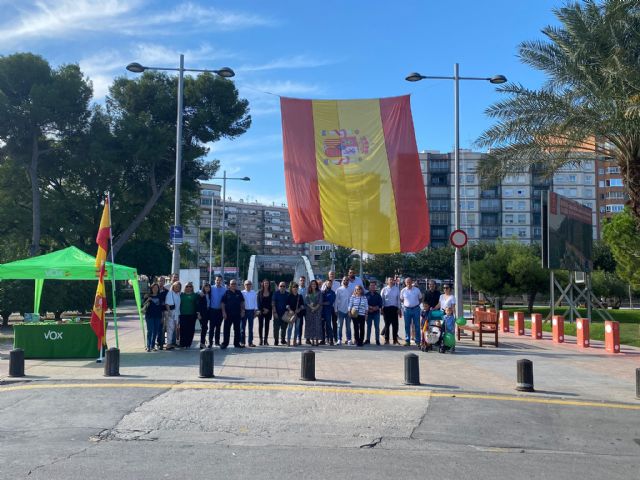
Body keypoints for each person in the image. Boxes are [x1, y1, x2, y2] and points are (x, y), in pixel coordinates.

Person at [220, 279, 245, 349]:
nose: (233, 285)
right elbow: (222, 303)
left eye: (234, 284)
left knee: (237, 330)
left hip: (237, 314)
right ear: (229, 285)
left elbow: (242, 302)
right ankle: (225, 343)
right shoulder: (226, 292)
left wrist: (243, 311)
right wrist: (224, 312)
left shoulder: (239, 292)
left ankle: (236, 343)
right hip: (228, 315)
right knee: (226, 330)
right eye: (232, 284)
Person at [400, 277, 422, 346]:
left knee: (417, 325)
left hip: (416, 309)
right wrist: (407, 304)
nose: (408, 283)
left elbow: (420, 298)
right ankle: (407, 341)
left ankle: (418, 341)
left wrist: (416, 304)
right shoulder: (403, 291)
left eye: (410, 282)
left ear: (412, 282)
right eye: (407, 282)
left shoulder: (417, 290)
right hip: (407, 310)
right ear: (405, 283)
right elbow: (401, 299)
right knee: (407, 326)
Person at [143, 283, 163, 352]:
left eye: (156, 288)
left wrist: (162, 317)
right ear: (151, 288)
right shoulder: (147, 296)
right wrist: (148, 299)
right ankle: (148, 346)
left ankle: (153, 346)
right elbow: (142, 305)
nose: (155, 289)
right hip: (149, 316)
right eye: (154, 288)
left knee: (155, 331)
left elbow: (162, 307)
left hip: (158, 316)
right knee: (150, 331)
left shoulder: (160, 296)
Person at [321, 270, 341, 342]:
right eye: (330, 274)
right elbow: (321, 294)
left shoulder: (338, 284)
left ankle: (335, 337)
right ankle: (327, 337)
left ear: (334, 275)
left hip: (334, 306)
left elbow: (338, 296)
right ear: (328, 275)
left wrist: (336, 308)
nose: (331, 275)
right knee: (327, 323)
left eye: (333, 274)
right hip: (326, 309)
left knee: (334, 322)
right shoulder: (324, 284)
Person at [178, 282, 199, 349]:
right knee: (183, 329)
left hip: (192, 315)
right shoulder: (181, 295)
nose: (188, 288)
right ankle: (182, 344)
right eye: (187, 286)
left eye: (190, 286)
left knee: (190, 330)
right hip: (183, 315)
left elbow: (198, 304)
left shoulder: (195, 295)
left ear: (192, 287)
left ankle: (188, 344)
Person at [380, 277, 400, 345]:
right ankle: (387, 340)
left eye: (392, 280)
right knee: (387, 325)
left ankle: (395, 340)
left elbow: (398, 300)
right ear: (387, 282)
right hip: (386, 309)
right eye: (390, 280)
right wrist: (381, 309)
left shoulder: (397, 289)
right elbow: (382, 300)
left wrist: (399, 308)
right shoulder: (384, 289)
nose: (391, 281)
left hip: (394, 309)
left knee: (395, 325)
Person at [304, 279, 323, 346]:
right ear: (310, 285)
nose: (313, 285)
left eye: (314, 284)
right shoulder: (308, 292)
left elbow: (320, 302)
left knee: (317, 325)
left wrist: (315, 308)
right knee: (311, 325)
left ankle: (317, 340)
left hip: (317, 311)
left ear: (316, 285)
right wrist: (312, 308)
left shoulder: (319, 292)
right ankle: (312, 340)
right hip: (309, 312)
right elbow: (306, 301)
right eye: (312, 284)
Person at [164, 281, 182, 350]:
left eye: (179, 286)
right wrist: (169, 313)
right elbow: (167, 304)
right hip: (171, 313)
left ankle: (171, 343)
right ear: (173, 286)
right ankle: (168, 344)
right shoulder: (170, 293)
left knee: (174, 329)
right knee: (170, 329)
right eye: (176, 286)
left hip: (177, 314)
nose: (177, 287)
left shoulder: (178, 294)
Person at [335, 276, 352, 345]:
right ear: (342, 281)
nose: (346, 281)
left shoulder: (351, 289)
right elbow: (336, 300)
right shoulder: (339, 289)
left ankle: (349, 339)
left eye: (347, 280)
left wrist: (351, 310)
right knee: (339, 326)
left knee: (348, 326)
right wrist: (336, 309)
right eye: (344, 280)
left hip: (348, 311)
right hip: (340, 310)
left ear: (348, 281)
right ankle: (339, 339)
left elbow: (352, 300)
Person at [209, 275, 226, 346]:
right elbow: (202, 291)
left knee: (218, 327)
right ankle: (210, 342)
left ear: (222, 281)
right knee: (211, 327)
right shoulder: (211, 288)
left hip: (220, 311)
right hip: (212, 310)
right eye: (217, 280)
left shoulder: (224, 289)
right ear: (215, 280)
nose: (218, 281)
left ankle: (217, 341)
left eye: (220, 280)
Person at [365, 280, 382, 345]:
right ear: (369, 287)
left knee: (377, 327)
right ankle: (367, 339)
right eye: (371, 285)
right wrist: (370, 308)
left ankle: (377, 340)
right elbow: (364, 303)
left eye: (373, 286)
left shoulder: (378, 295)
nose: (372, 287)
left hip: (376, 313)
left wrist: (375, 308)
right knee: (368, 326)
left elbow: (380, 304)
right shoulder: (366, 295)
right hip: (368, 313)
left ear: (375, 287)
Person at [272, 281, 289, 346]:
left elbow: (289, 303)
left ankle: (283, 340)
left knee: (284, 328)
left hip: (285, 314)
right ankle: (276, 341)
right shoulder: (275, 294)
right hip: (277, 313)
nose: (282, 287)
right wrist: (274, 312)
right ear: (278, 287)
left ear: (285, 287)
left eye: (283, 286)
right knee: (276, 328)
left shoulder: (287, 294)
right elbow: (273, 304)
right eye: (281, 286)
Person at [241, 280, 257, 347]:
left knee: (250, 328)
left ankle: (250, 342)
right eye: (247, 284)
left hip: (251, 311)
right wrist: (242, 310)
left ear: (251, 285)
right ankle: (242, 342)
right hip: (244, 311)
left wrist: (256, 310)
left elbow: (255, 302)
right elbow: (241, 303)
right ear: (244, 285)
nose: (248, 285)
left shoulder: (254, 292)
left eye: (249, 284)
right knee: (242, 328)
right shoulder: (242, 293)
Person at [257, 279, 273, 346]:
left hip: (268, 311)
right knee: (260, 326)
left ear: (269, 284)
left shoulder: (271, 293)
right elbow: (258, 303)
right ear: (262, 284)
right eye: (265, 283)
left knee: (267, 326)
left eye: (267, 283)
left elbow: (272, 302)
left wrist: (268, 309)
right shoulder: (259, 292)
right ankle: (260, 340)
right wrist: (263, 309)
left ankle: (266, 340)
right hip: (261, 311)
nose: (266, 284)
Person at [197, 283, 213, 348]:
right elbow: (198, 305)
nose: (207, 288)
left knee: (206, 328)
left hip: (208, 313)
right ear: (203, 287)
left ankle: (204, 341)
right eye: (206, 287)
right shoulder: (200, 294)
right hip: (202, 313)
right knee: (204, 328)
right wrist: (198, 314)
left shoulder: (209, 294)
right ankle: (202, 343)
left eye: (208, 287)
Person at [321, 280, 336, 346]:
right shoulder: (322, 292)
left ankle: (331, 340)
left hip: (328, 312)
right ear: (325, 284)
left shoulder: (332, 293)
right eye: (328, 283)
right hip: (322, 311)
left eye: (330, 283)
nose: (329, 284)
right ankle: (323, 340)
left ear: (331, 285)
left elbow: (329, 302)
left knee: (328, 326)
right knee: (322, 326)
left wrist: (321, 303)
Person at [156, 276, 169, 350]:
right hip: (155, 311)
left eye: (162, 281)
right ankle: (157, 342)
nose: (160, 282)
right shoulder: (154, 290)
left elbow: (167, 302)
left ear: (164, 282)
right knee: (157, 328)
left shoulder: (166, 291)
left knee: (162, 328)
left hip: (163, 311)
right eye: (159, 281)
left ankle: (161, 342)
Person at [298, 276, 307, 345]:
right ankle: (299, 339)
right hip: (300, 309)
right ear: (299, 281)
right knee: (300, 324)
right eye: (301, 280)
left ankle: (308, 339)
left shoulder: (308, 289)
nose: (302, 281)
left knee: (308, 324)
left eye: (303, 280)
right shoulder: (297, 289)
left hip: (307, 309)